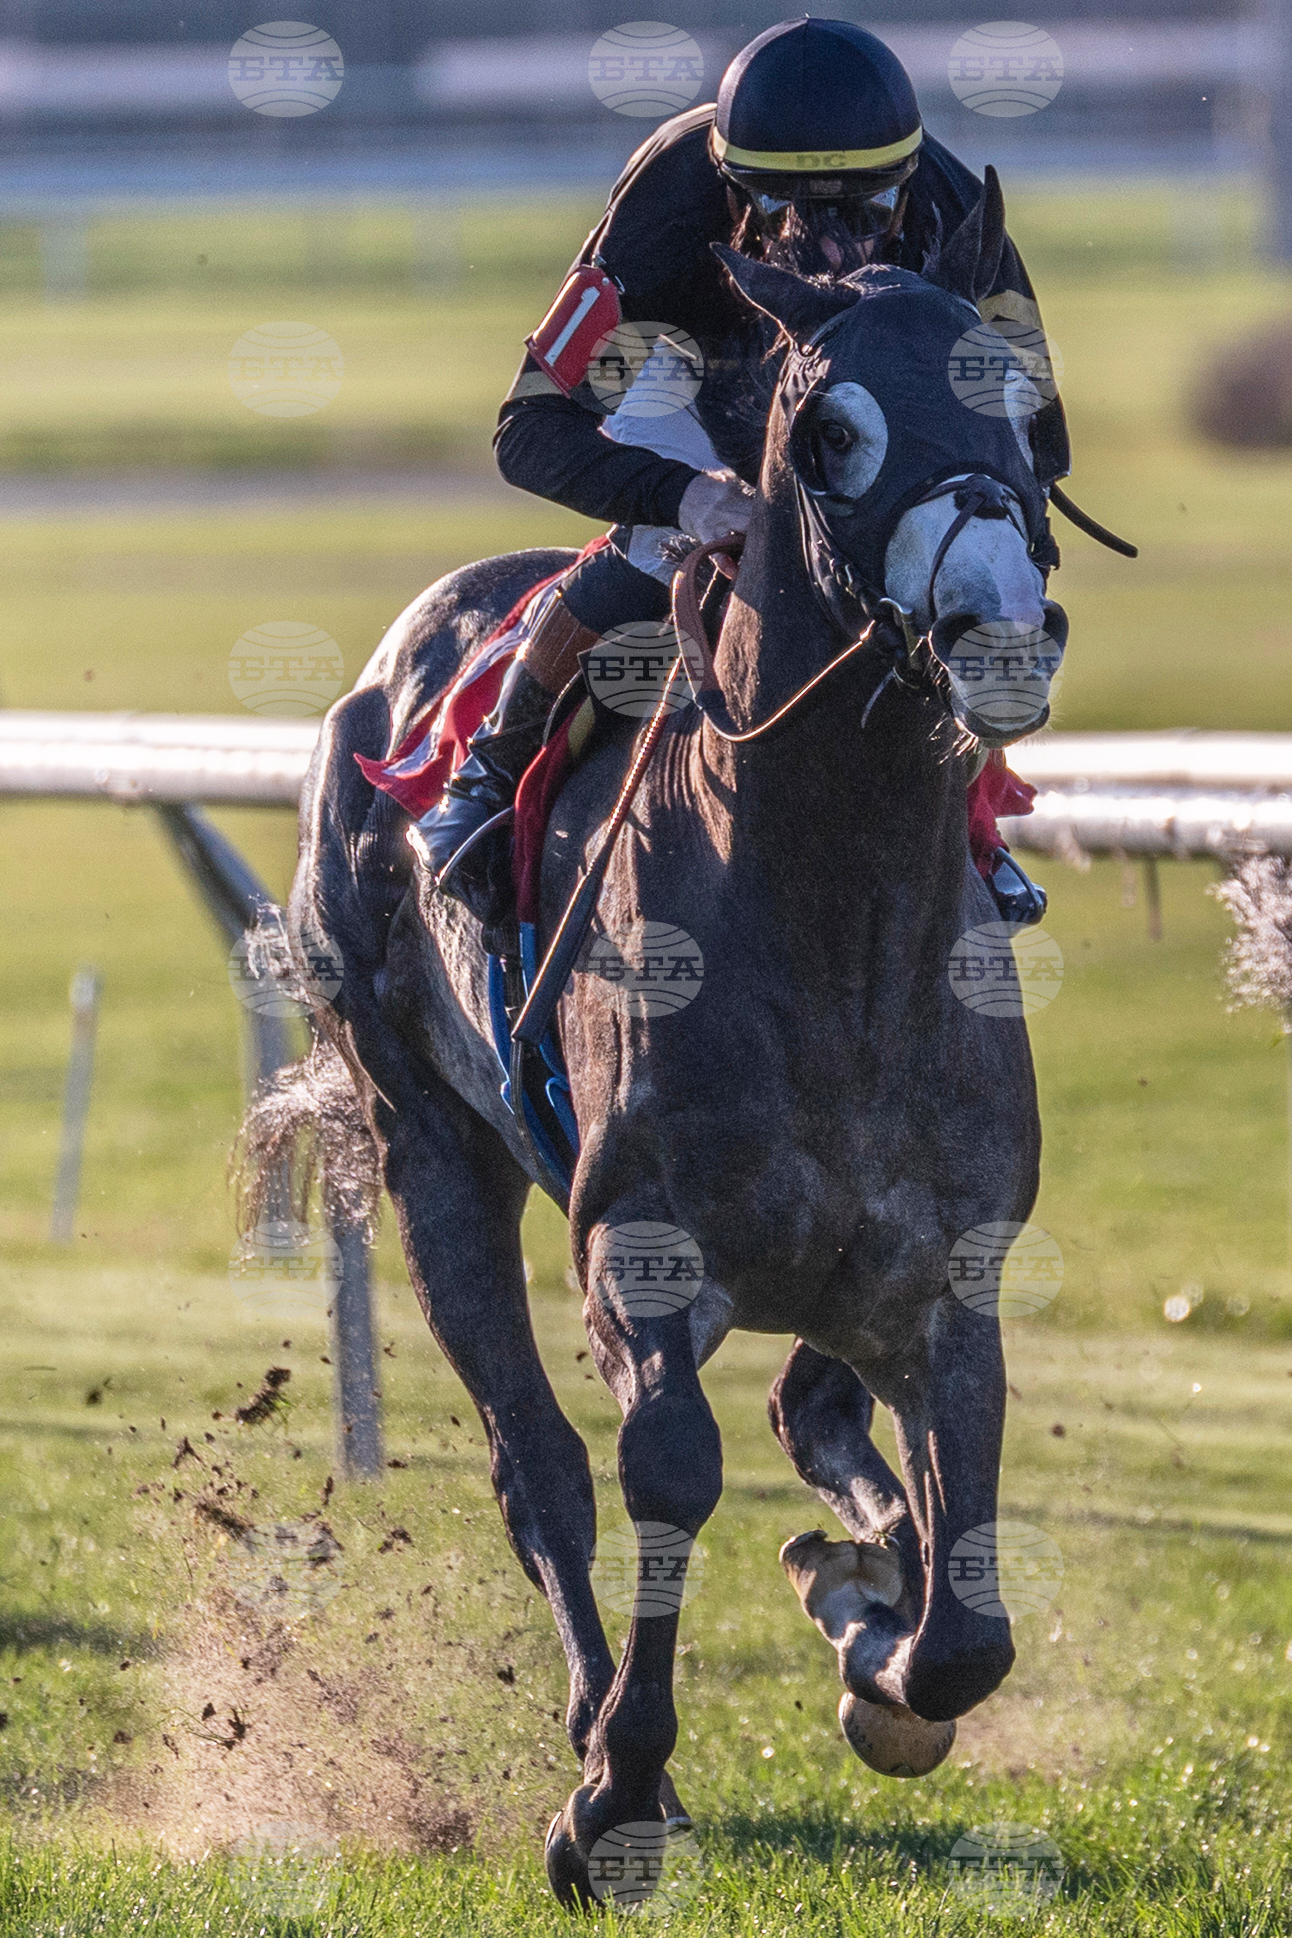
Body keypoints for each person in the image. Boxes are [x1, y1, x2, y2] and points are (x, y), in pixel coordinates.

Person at [416, 16, 1064, 927]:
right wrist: (691, 496)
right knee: (656, 545)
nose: (834, 245)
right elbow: (528, 431)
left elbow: (1040, 438)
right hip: (697, 368)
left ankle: (971, 823)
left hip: (875, 391)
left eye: (869, 214)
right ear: (728, 187)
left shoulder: (956, 208)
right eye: (784, 212)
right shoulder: (669, 202)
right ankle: (491, 765)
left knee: (939, 566)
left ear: (908, 184)